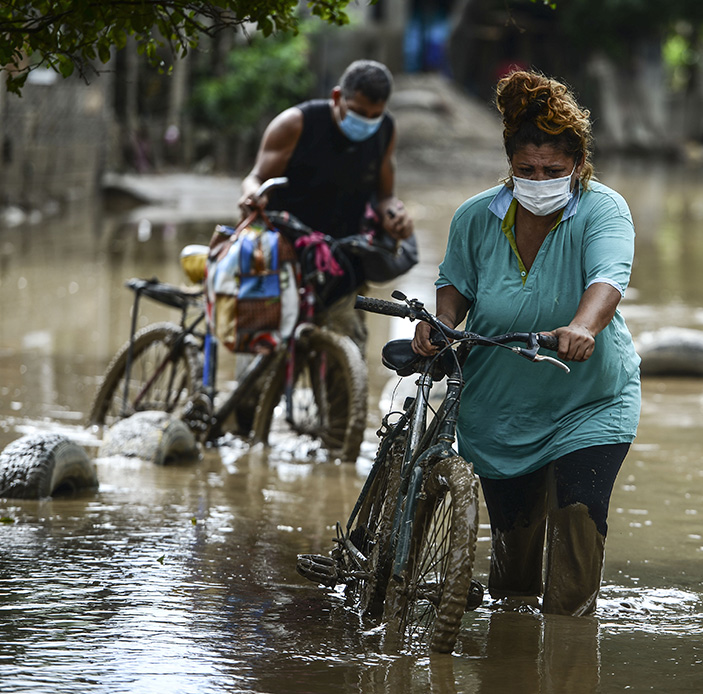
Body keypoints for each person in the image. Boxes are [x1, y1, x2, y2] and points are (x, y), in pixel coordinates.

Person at [412, 70, 641, 616]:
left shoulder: (603, 209)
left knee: (577, 543)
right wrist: (440, 326)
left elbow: (608, 276)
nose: (540, 180)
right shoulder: (476, 216)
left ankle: (569, 652)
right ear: (509, 167)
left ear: (579, 166)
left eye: (554, 171)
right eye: (527, 170)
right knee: (513, 582)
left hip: (589, 401)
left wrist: (584, 326)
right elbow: (454, 285)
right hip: (499, 409)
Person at [238, 59, 415, 348]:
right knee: (266, 355)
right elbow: (255, 178)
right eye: (358, 112)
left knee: (347, 359)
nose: (367, 121)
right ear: (337, 98)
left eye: (375, 114)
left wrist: (395, 215)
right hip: (282, 257)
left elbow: (384, 196)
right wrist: (252, 195)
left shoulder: (385, 130)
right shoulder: (295, 124)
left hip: (343, 261)